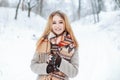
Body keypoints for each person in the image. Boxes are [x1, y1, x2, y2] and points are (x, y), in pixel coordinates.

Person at [30, 10, 79, 80]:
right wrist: (46, 68)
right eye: (54, 23)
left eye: (61, 22)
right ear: (50, 25)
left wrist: (60, 62)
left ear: (65, 24)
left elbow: (74, 72)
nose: (57, 26)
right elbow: (33, 65)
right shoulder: (43, 42)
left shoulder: (72, 46)